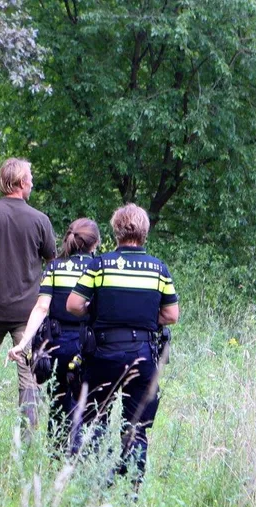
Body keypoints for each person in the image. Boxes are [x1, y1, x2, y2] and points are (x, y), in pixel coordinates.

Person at [66, 204, 179, 488]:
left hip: (103, 355)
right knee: (137, 428)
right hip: (142, 356)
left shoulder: (99, 264)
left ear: (116, 231)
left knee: (92, 420)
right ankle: (131, 492)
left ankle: (90, 485)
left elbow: (73, 305)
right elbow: (171, 315)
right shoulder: (159, 269)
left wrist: (99, 311)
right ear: (144, 232)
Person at [0, 158, 56, 427]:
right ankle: (27, 440)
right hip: (28, 314)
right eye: (30, 178)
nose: (32, 182)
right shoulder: (40, 220)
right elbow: (53, 266)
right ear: (20, 183)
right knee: (29, 375)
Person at [7, 218, 100, 453]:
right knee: (86, 400)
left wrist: (23, 343)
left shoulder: (55, 267)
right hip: (88, 345)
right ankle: (79, 453)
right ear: (95, 243)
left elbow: (41, 308)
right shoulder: (100, 266)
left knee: (59, 400)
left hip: (57, 344)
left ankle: (56, 454)